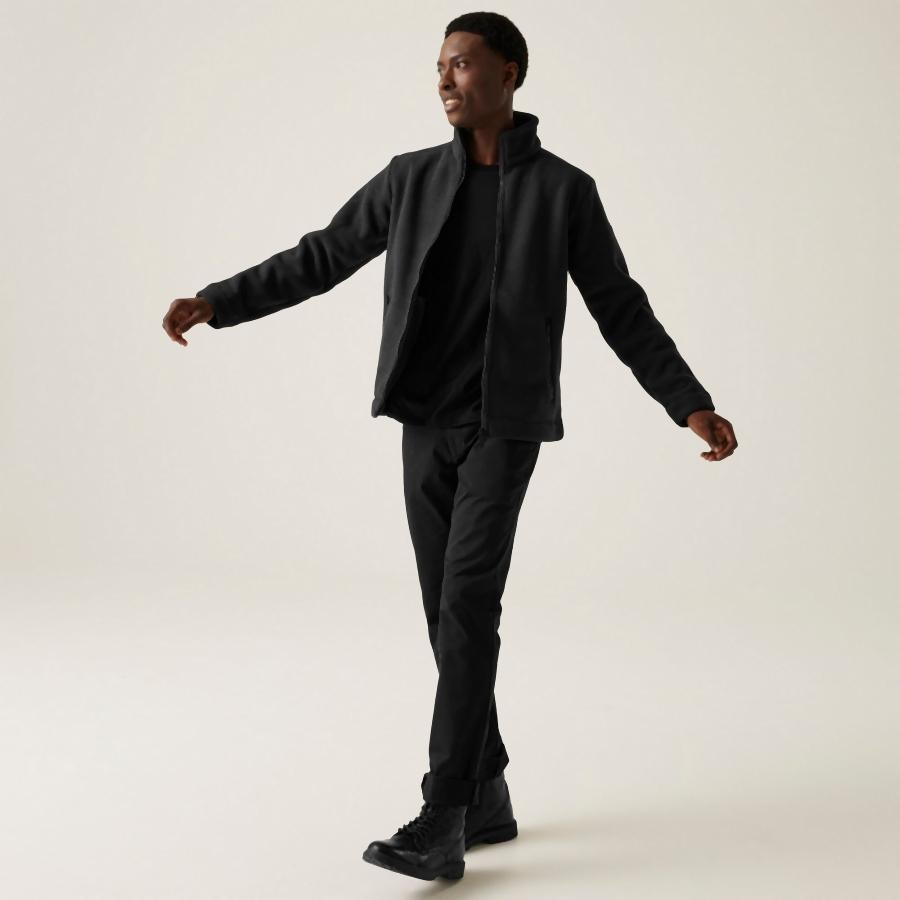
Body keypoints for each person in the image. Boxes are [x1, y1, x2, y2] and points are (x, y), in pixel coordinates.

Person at [163, 11, 738, 883]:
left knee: (467, 602)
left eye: (462, 64)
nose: (444, 79)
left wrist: (686, 402)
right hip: (425, 422)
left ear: (510, 73)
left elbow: (620, 305)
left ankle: (444, 813)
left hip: (506, 424)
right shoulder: (411, 179)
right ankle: (488, 792)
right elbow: (324, 254)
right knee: (445, 611)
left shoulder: (564, 191)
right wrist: (220, 300)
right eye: (438, 65)